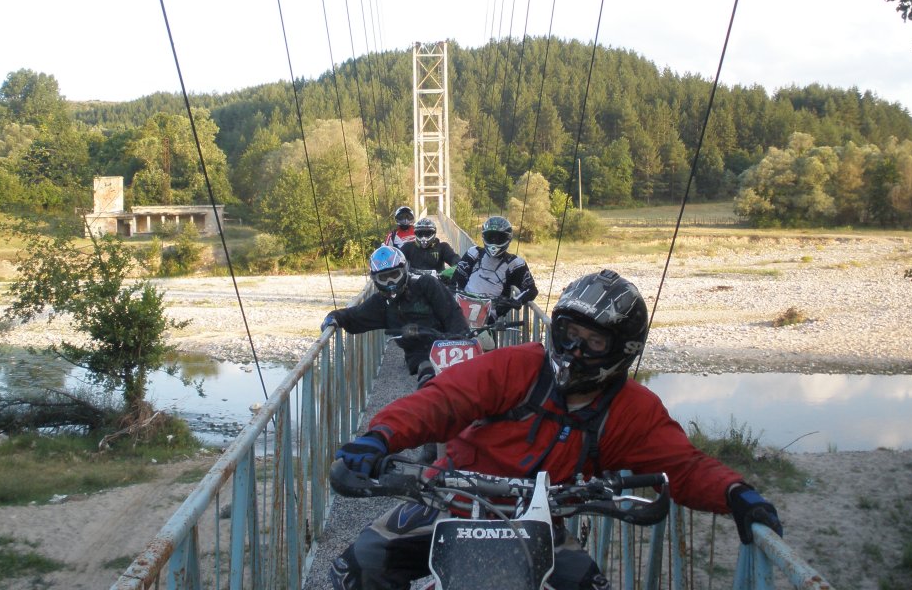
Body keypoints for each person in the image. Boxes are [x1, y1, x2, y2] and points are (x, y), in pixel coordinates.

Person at [329, 269, 783, 590]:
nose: (575, 349)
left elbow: (681, 465)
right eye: (568, 333)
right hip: (452, 502)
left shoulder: (630, 409)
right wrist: (380, 436)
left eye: (594, 341)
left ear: (621, 350)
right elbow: (444, 400)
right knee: (359, 566)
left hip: (541, 523)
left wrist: (735, 493)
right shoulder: (518, 366)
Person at [322, 245, 470, 384]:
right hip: (420, 357)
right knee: (428, 381)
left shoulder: (426, 285)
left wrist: (461, 340)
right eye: (384, 278)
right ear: (375, 280)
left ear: (404, 270)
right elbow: (354, 316)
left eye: (394, 275)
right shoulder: (380, 303)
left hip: (449, 344)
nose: (390, 282)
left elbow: (453, 314)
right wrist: (333, 317)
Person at [452, 215, 538, 320]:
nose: (494, 242)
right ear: (484, 237)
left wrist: (516, 300)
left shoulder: (515, 264)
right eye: (491, 237)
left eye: (500, 238)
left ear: (508, 239)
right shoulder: (474, 253)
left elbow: (531, 289)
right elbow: (457, 280)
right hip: (461, 309)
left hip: (489, 317)